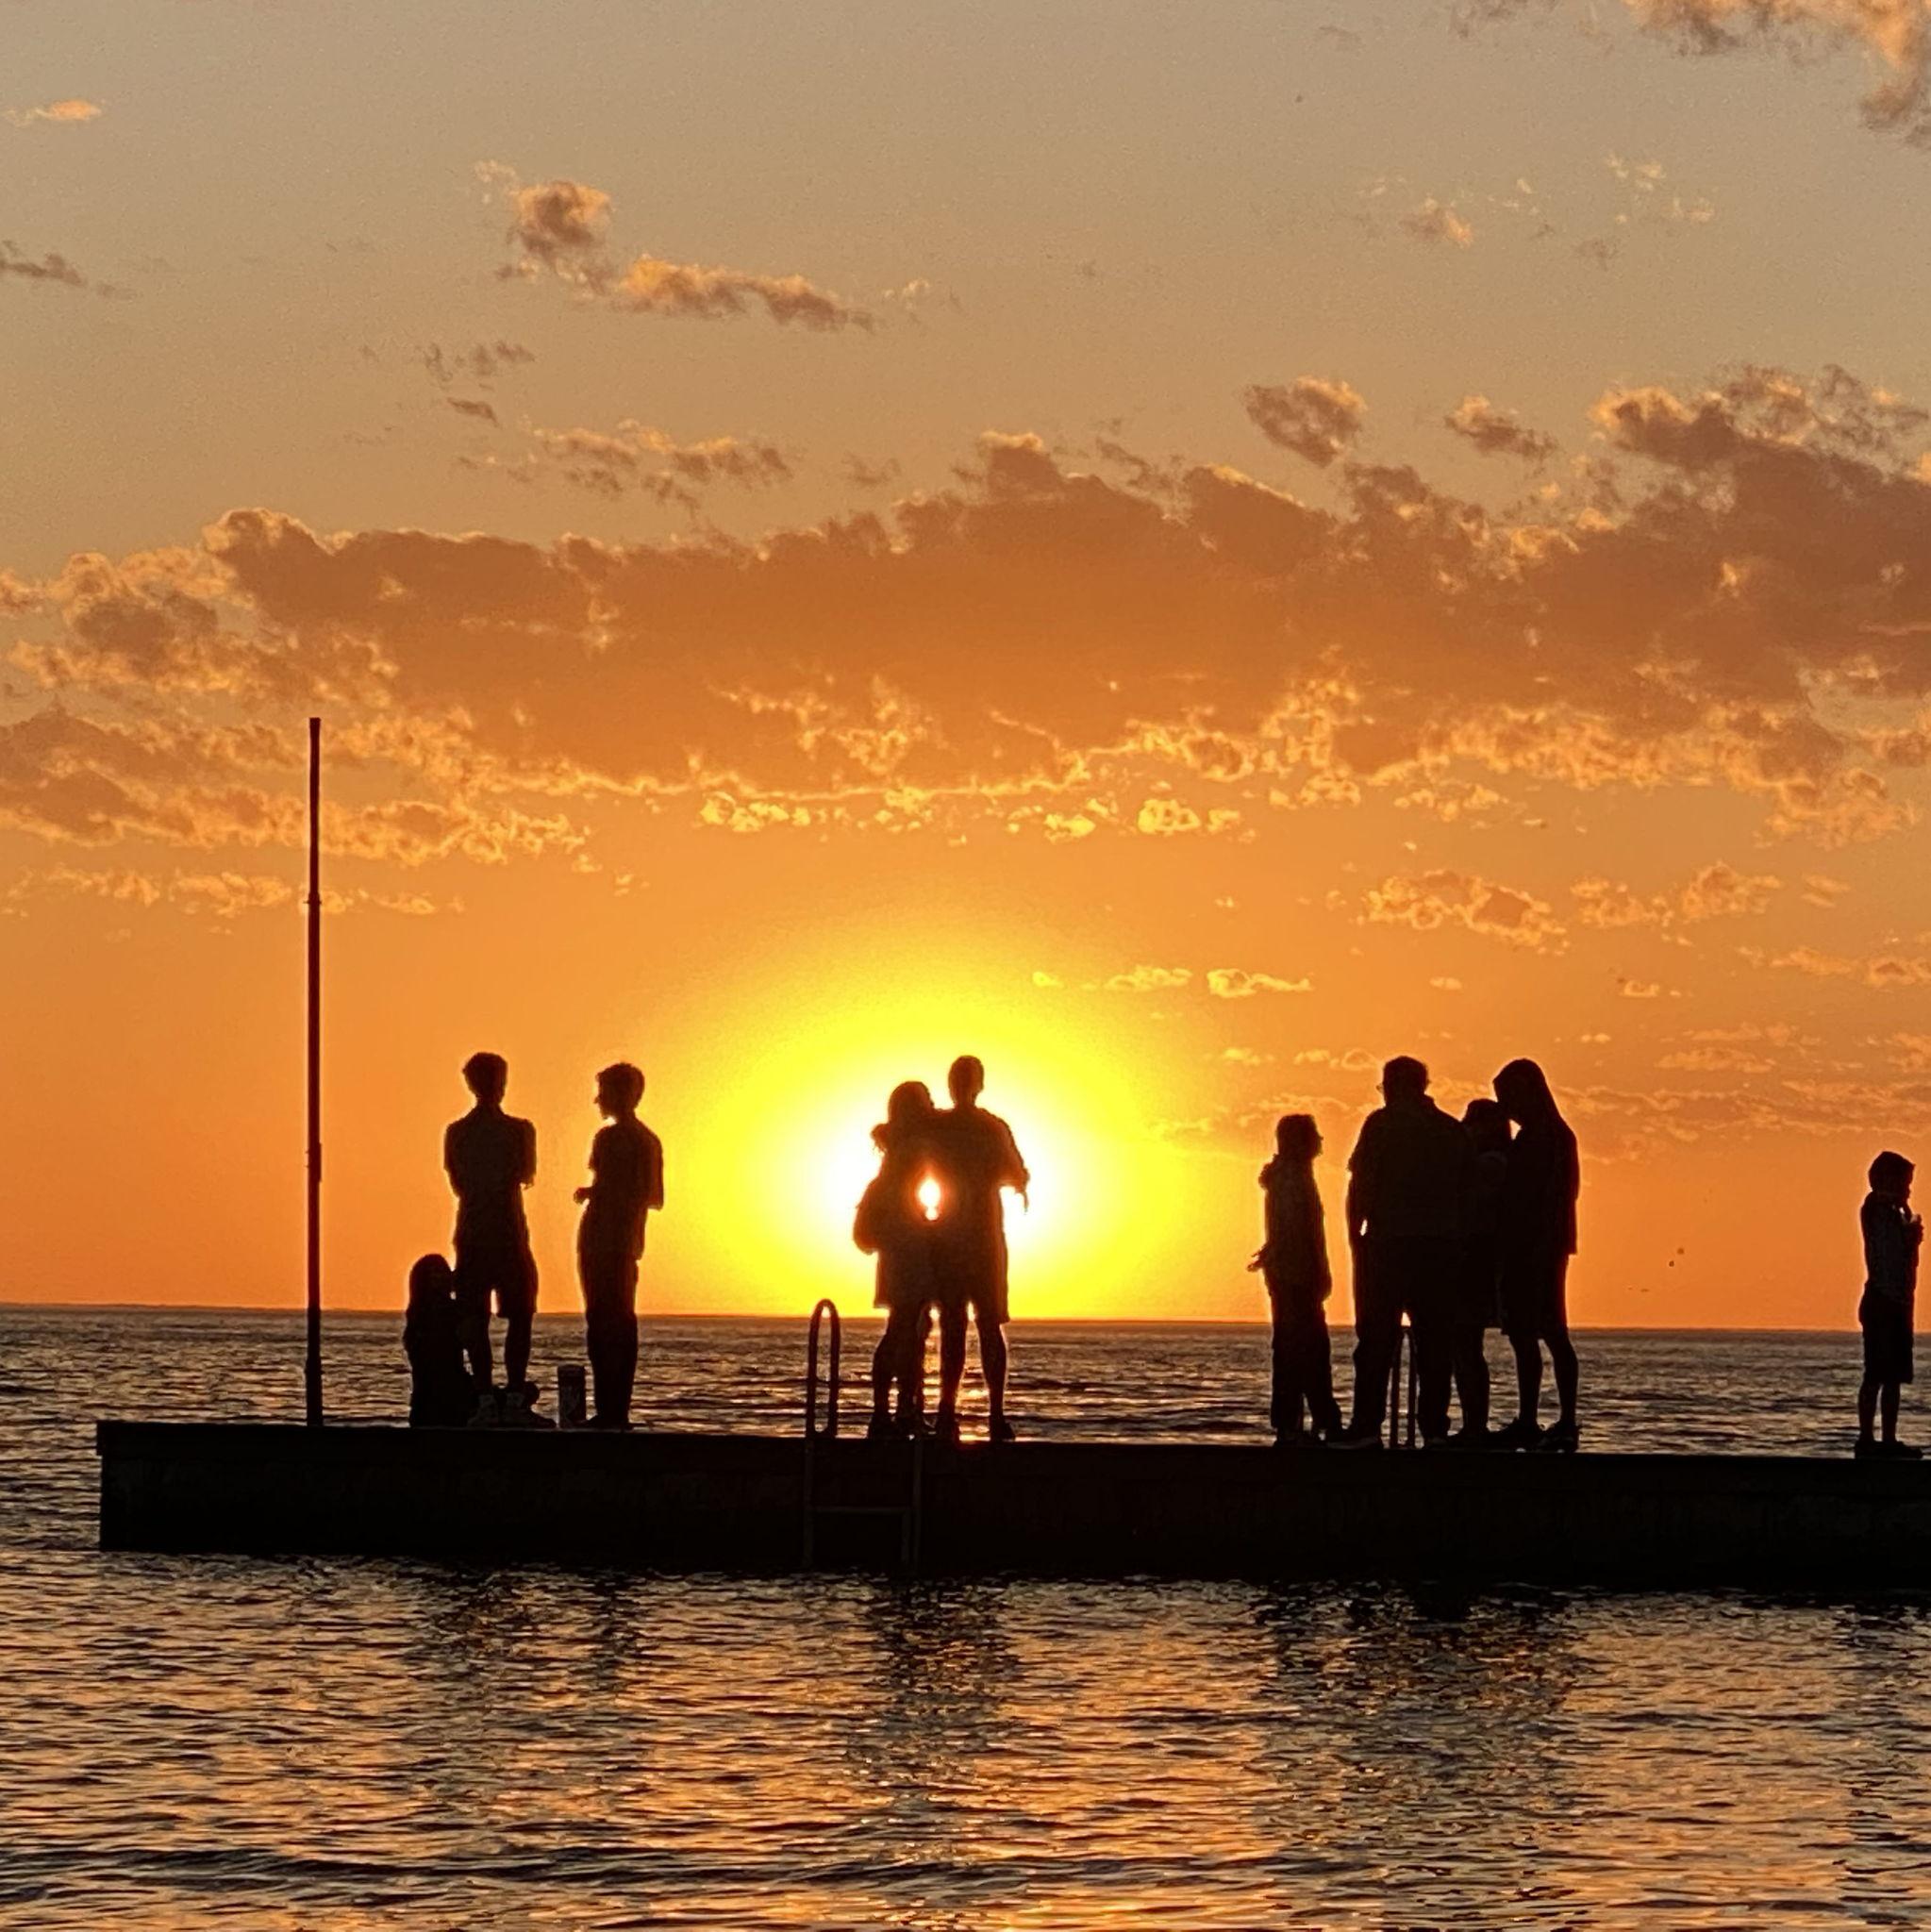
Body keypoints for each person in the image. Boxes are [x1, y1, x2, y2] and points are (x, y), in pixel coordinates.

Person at [1336, 1057, 1471, 1449]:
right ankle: (1434, 1429)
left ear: (1393, 1085)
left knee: (1376, 1342)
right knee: (1435, 1345)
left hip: (1387, 1246)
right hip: (1440, 1249)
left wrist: (1354, 1237)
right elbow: (1467, 1193)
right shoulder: (1450, 1131)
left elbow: (1359, 1185)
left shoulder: (1380, 1125)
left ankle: (1366, 1427)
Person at [928, 1055, 1029, 1445]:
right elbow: (1016, 1173)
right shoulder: (990, 1127)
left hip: (964, 1232)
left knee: (966, 1324)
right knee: (975, 1324)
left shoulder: (947, 1128)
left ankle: (955, 1415)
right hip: (977, 1234)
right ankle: (983, 1415)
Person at [1493, 1058, 1582, 1452]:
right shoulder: (1535, 1136)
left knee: (1551, 1333)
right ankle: (1530, 1418)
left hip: (1539, 1247)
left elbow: (1553, 1196)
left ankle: (1564, 1419)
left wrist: (1540, 1241)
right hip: (1525, 1245)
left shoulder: (1551, 1137)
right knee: (1525, 1335)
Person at [572, 1061, 664, 1430]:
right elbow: (651, 1195)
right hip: (610, 1239)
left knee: (611, 1323)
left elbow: (651, 1195)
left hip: (613, 1240)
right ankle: (611, 1410)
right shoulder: (638, 1140)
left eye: (605, 1092)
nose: (598, 1100)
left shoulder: (621, 1140)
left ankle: (613, 1411)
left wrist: (604, 1192)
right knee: (607, 1322)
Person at [443, 1052, 539, 1401]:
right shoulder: (518, 1131)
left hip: (478, 1229)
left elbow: (458, 1180)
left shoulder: (458, 1133)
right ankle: (506, 1389)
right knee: (514, 1312)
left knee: (483, 1313)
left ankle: (489, 1389)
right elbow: (525, 1173)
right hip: (504, 1230)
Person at [1249, 1113, 1344, 1444]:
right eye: (1314, 1135)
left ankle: (1304, 1422)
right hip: (1296, 1275)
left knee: (1298, 1347)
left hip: (1291, 1273)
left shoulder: (1291, 1176)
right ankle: (1306, 1423)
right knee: (1305, 1348)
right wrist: (1318, 1271)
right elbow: (1296, 1231)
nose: (1320, 1141)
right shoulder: (1293, 1178)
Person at [856, 1080, 941, 1439]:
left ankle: (899, 1409)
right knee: (905, 1329)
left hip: (902, 1249)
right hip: (906, 1251)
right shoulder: (911, 1148)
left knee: (909, 1328)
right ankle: (894, 1410)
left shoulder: (898, 1147)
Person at [1449, 1098, 1510, 1446]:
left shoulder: (1491, 1164)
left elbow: (1472, 1202)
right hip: (1476, 1259)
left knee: (1466, 1344)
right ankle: (1473, 1423)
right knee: (1464, 1346)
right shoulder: (1490, 1162)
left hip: (1476, 1260)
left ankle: (1475, 1424)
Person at [1856, 1150, 1922, 1459]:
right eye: (1904, 1183)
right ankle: (1867, 1439)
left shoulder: (1895, 1213)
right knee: (1876, 1373)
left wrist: (1911, 1241)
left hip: (1897, 1303)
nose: (1908, 1190)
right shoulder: (1876, 1208)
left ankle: (1888, 1440)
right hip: (1882, 1300)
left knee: (1893, 1376)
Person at [403, 1253, 473, 1426]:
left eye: (443, 1272)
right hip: (447, 1399)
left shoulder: (418, 1314)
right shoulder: (442, 1311)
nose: (441, 1278)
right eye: (435, 1274)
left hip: (428, 1401)